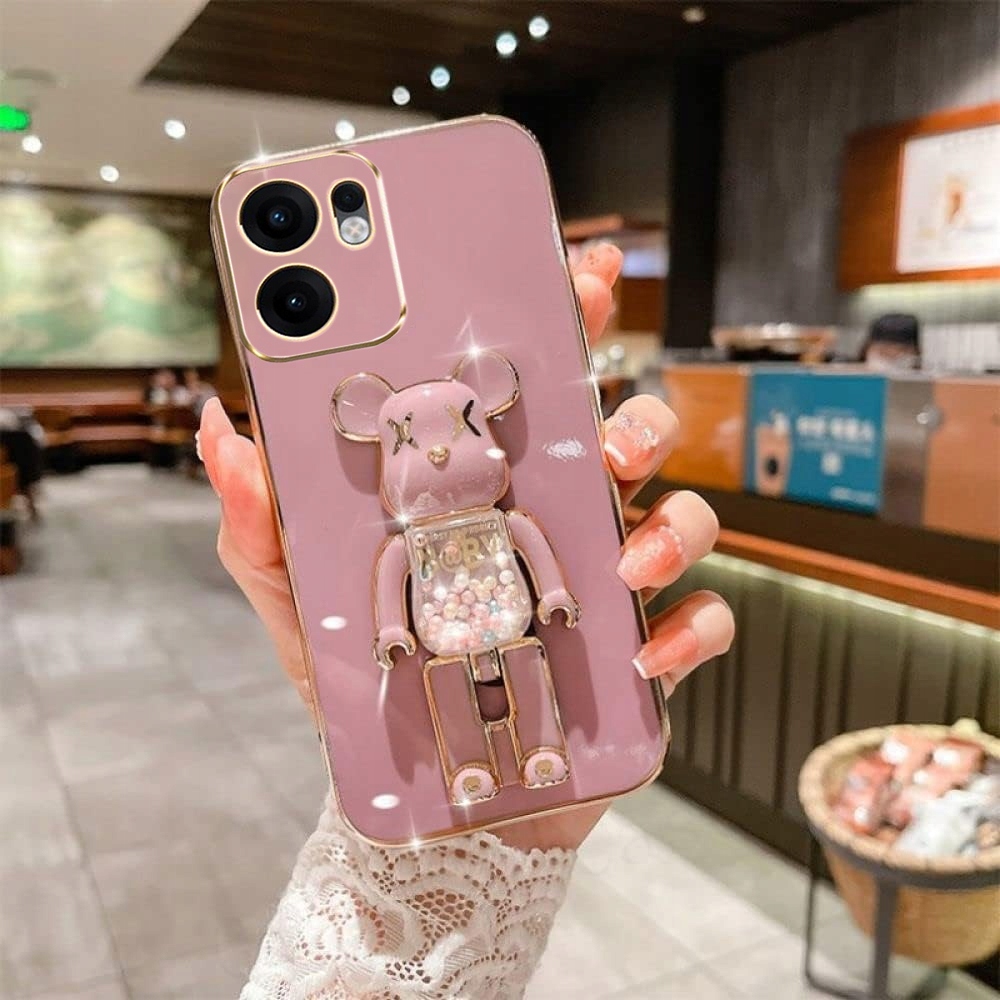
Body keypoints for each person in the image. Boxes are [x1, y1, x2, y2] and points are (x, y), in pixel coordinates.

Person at [197, 244, 733, 999]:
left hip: (512, 626)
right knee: (451, 695)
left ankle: (541, 750)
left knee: (531, 673)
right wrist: (391, 631)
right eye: (410, 441)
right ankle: (470, 766)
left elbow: (534, 549)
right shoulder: (407, 540)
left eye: (461, 427)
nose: (442, 450)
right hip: (442, 640)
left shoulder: (500, 519)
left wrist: (556, 593)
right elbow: (392, 580)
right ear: (376, 436)